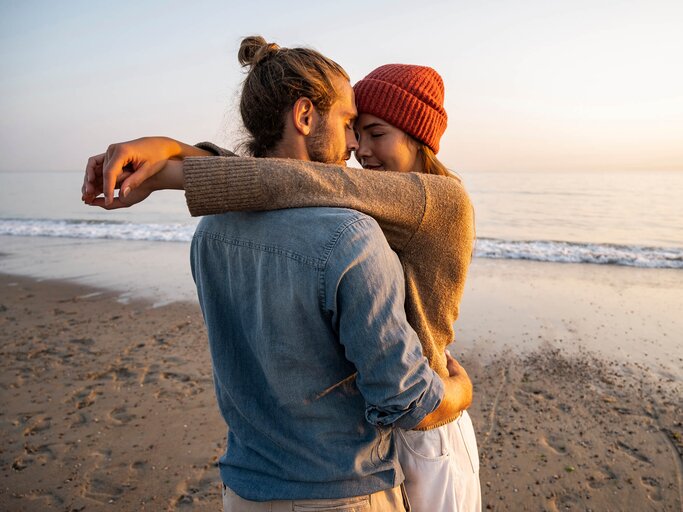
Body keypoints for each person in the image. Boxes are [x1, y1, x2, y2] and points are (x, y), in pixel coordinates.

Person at [85, 37, 475, 511]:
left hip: (284, 470)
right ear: (306, 116)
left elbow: (295, 179)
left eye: (375, 132)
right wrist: (460, 393)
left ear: (419, 137)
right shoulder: (351, 230)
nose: (357, 149)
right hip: (374, 449)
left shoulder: (439, 201)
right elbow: (293, 180)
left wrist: (170, 161)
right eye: (354, 126)